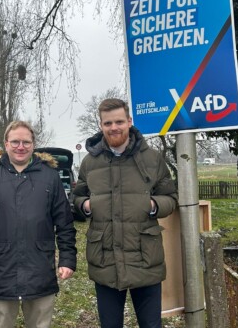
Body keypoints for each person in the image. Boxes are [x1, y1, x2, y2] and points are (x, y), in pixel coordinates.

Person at [73, 99, 178, 328]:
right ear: (101, 125)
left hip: (145, 257)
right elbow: (77, 198)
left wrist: (152, 204)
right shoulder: (90, 163)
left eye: (119, 121)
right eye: (108, 123)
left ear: (129, 121)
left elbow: (171, 198)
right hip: (105, 259)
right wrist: (85, 206)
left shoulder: (152, 159)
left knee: (151, 325)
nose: (114, 127)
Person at [0, 120, 77, 328]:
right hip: (0, 268)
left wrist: (67, 258)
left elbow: (64, 222)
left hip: (40, 267)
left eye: (26, 142)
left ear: (33, 144)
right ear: (6, 143)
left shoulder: (50, 177)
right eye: (15, 141)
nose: (21, 146)